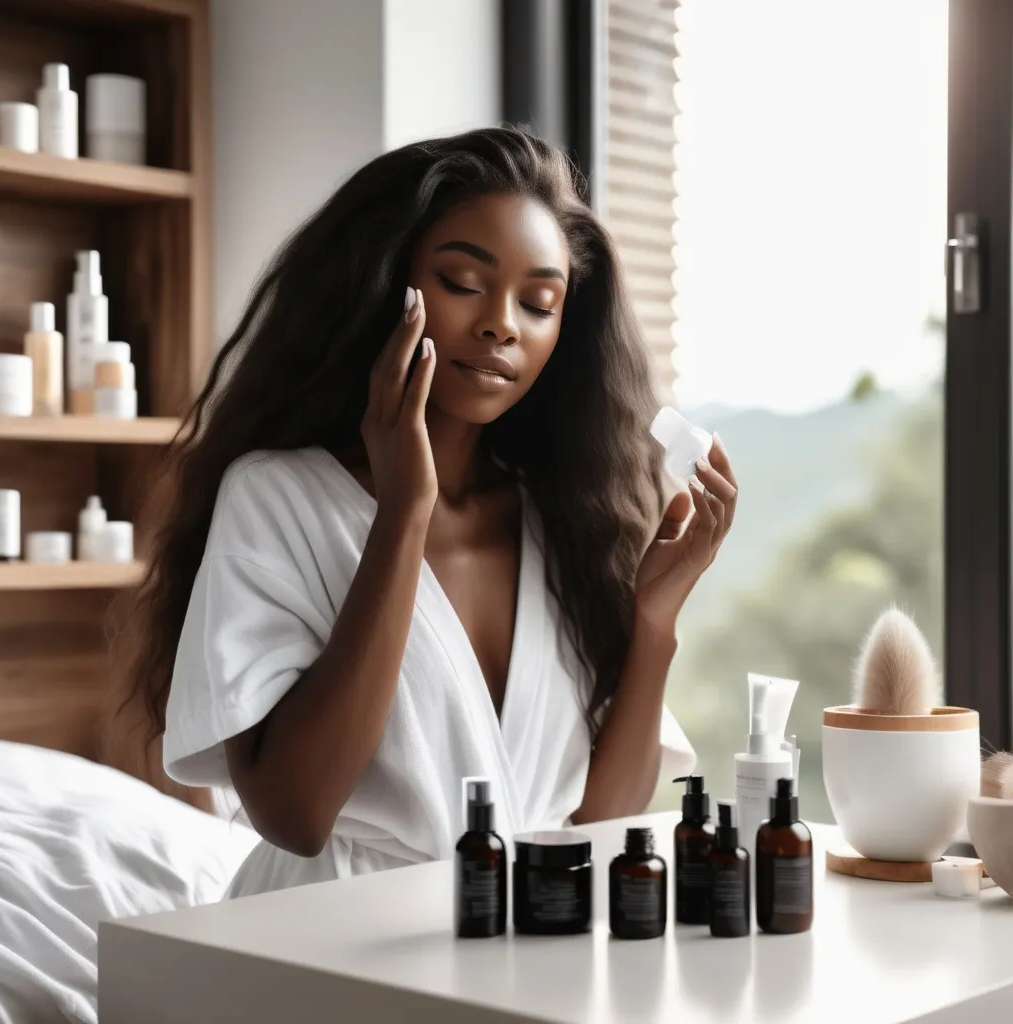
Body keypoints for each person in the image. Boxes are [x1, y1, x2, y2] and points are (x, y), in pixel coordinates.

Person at [114, 126, 738, 899]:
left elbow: (597, 821)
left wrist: (654, 622)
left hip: (519, 950)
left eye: (539, 302)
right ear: (386, 286)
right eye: (463, 282)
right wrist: (404, 512)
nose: (502, 323)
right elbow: (296, 814)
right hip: (322, 945)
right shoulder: (277, 496)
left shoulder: (564, 520)